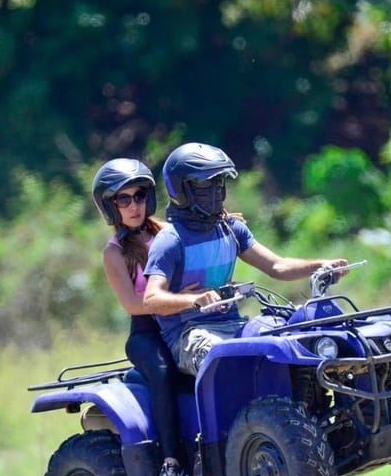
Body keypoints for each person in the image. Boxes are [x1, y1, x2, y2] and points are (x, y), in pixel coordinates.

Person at [143, 142, 348, 376]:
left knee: (298, 339)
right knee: (226, 360)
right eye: (205, 184)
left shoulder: (231, 228)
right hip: (189, 333)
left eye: (219, 182)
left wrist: (319, 266)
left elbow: (277, 266)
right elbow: (152, 298)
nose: (215, 190)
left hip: (234, 324)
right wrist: (194, 300)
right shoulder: (170, 240)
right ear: (181, 189)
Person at [92, 158, 190, 476]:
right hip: (146, 332)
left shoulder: (167, 232)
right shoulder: (114, 252)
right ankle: (172, 465)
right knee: (162, 372)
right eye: (123, 199)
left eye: (139, 195)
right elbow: (133, 304)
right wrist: (176, 298)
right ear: (110, 206)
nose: (134, 206)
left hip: (184, 321)